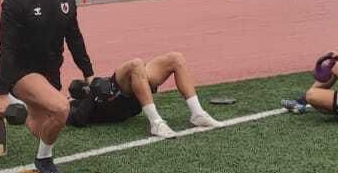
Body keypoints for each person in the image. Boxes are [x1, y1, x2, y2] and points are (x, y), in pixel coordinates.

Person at [0, 0, 93, 173]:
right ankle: (44, 159)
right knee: (60, 108)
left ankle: (24, 106)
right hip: (22, 71)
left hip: (50, 70)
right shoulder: (17, 0)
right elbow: (6, 47)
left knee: (42, 126)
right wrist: (2, 92)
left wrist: (88, 73)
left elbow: (74, 37)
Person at [66, 52, 224, 138]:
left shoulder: (92, 88)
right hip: (113, 99)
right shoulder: (76, 104)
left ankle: (197, 113)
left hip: (124, 94)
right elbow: (79, 119)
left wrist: (92, 85)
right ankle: (156, 123)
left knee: (176, 58)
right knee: (136, 64)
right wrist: (89, 92)